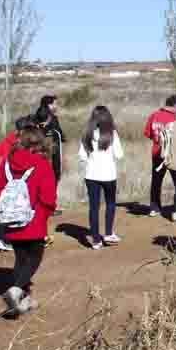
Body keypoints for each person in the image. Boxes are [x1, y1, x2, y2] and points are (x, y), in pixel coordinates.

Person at [0, 126, 57, 317]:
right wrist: (44, 213)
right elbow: (49, 197)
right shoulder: (41, 164)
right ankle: (16, 290)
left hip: (10, 220)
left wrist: (4, 212)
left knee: (20, 259)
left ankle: (23, 300)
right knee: (34, 257)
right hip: (34, 219)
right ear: (37, 143)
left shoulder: (6, 165)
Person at [78, 106, 124, 250]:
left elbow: (82, 157)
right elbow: (119, 155)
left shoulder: (87, 134)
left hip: (91, 175)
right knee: (110, 203)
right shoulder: (112, 134)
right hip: (109, 175)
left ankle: (96, 240)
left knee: (94, 207)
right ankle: (109, 233)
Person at [0, 115, 37, 252]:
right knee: (23, 207)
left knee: (5, 209)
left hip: (5, 178)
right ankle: (18, 238)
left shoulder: (8, 140)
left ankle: (3, 239)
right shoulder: (22, 143)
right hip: (20, 178)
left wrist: (0, 169)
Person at [143, 95, 176, 217]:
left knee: (156, 181)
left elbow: (147, 133)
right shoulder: (175, 118)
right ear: (175, 105)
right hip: (172, 154)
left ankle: (154, 208)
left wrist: (157, 139)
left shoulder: (154, 115)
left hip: (157, 153)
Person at [35, 95, 64, 215]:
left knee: (45, 179)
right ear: (48, 105)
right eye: (54, 104)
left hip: (44, 153)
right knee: (51, 178)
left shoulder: (38, 117)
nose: (56, 106)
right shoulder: (48, 118)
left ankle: (46, 204)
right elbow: (58, 134)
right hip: (51, 153)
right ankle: (49, 205)